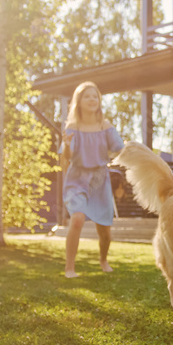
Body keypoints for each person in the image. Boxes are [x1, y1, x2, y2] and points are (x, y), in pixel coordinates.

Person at [60, 81, 124, 278]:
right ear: (78, 102)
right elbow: (67, 157)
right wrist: (67, 145)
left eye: (95, 96)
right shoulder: (73, 126)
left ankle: (103, 260)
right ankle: (69, 267)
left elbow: (119, 148)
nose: (92, 99)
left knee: (104, 231)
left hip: (99, 179)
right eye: (87, 96)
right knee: (77, 219)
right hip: (77, 178)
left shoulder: (105, 126)